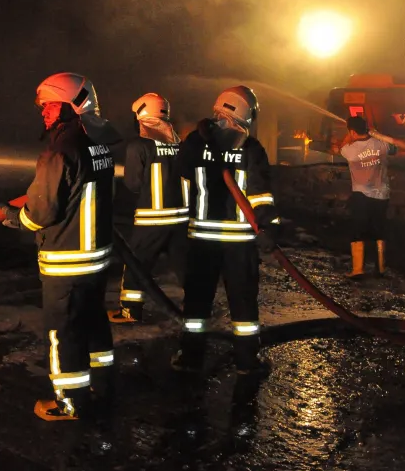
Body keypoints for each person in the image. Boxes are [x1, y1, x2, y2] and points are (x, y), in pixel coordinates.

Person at [2, 72, 118, 422]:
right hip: (97, 258)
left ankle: (69, 402)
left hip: (67, 261)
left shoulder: (59, 150)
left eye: (50, 106)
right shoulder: (99, 144)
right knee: (93, 321)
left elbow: (42, 212)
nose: (44, 113)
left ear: (70, 107)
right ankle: (103, 383)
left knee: (63, 331)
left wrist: (15, 218)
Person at [171, 85, 280, 377]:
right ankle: (247, 360)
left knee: (196, 304)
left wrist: (200, 143)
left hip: (201, 239)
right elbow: (261, 194)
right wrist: (269, 227)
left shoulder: (195, 143)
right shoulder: (251, 148)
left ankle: (190, 358)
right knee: (243, 304)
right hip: (239, 242)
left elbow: (179, 174)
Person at [108, 93, 189, 324]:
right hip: (181, 220)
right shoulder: (180, 144)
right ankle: (197, 309)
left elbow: (132, 184)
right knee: (186, 269)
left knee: (136, 265)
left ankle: (130, 311)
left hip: (151, 220)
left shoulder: (138, 145)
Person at [339, 115, 396, 278]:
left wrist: (348, 136)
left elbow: (341, 148)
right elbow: (394, 149)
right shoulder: (382, 144)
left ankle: (358, 269)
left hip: (362, 195)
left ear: (352, 131)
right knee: (379, 230)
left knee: (358, 230)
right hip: (382, 194)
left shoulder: (350, 150)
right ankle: (381, 268)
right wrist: (376, 134)